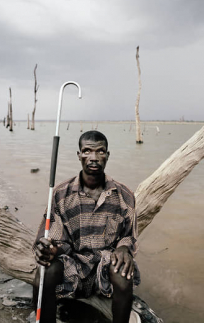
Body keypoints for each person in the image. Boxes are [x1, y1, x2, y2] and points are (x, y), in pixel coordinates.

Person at [32, 130, 141, 323]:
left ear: (107, 155)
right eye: (87, 151)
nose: (93, 157)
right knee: (44, 273)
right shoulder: (61, 194)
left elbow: (129, 235)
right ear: (79, 155)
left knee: (123, 272)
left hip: (105, 267)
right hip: (72, 267)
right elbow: (55, 239)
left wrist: (124, 248)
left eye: (100, 151)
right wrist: (49, 248)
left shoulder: (124, 195)